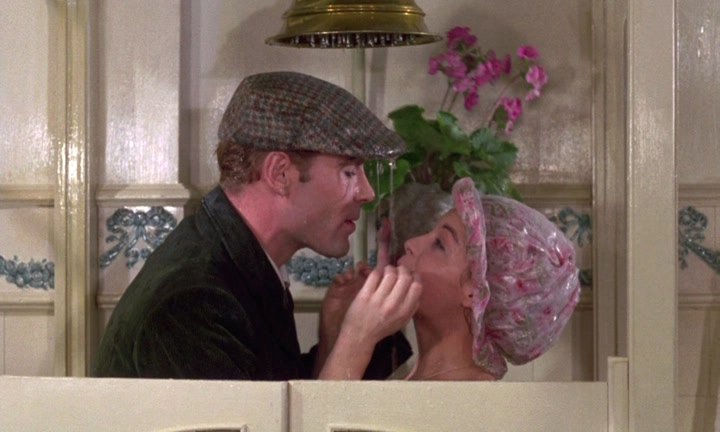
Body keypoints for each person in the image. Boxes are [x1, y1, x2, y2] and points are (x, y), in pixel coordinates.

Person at [92, 71, 422, 380]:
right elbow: (264, 419)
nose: (367, 192)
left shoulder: (238, 261)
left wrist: (334, 338)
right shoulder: (193, 302)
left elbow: (273, 399)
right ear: (280, 173)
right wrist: (357, 338)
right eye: (349, 171)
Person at [334, 177, 580, 380]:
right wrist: (335, 327)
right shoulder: (426, 381)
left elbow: (325, 418)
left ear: (476, 292)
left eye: (439, 244)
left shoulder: (465, 405)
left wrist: (357, 335)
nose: (410, 243)